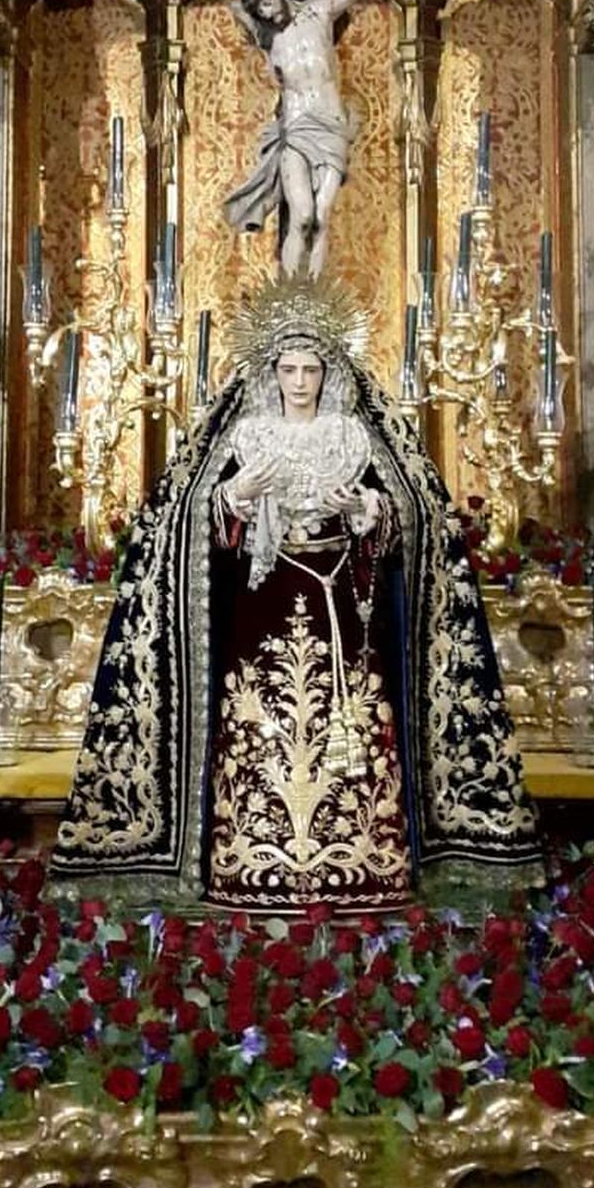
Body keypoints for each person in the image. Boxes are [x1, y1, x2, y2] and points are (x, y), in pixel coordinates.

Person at [52, 284, 541, 910]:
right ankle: (251, 858)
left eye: (311, 369)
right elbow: (181, 526)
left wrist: (368, 511)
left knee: (351, 722)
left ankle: (362, 860)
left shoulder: (355, 438)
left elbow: (416, 521)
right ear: (272, 373)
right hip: (261, 604)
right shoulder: (243, 439)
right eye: (289, 370)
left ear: (328, 373)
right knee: (261, 717)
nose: (301, 382)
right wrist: (233, 499)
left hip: (344, 603)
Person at [170, 0, 427, 279]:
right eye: (259, 10)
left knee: (321, 218)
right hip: (296, 127)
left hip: (332, 126)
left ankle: (314, 298)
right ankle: (289, 298)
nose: (267, 13)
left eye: (268, 3)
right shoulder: (266, 35)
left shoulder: (321, 10)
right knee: (302, 216)